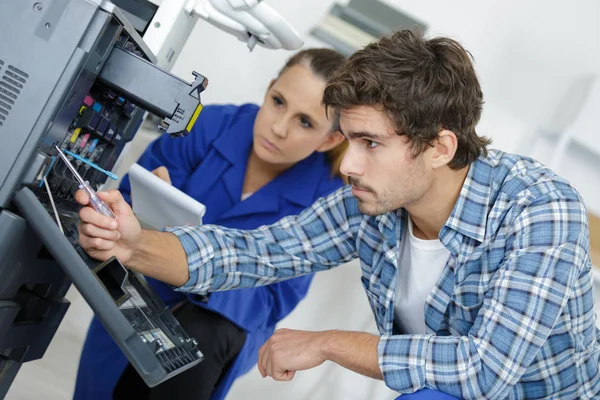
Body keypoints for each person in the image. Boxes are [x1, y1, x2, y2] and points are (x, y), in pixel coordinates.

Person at [75, 29, 600, 399]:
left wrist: (327, 342)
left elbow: (483, 371)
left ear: (439, 147)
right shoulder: (372, 204)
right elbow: (255, 251)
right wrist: (133, 242)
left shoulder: (540, 212)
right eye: (349, 140)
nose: (347, 164)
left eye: (370, 142)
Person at [73, 48, 348, 400]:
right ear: (268, 89)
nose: (279, 128)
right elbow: (126, 201)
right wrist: (142, 210)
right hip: (144, 289)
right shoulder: (207, 127)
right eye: (278, 102)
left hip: (223, 325)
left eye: (305, 122)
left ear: (330, 139)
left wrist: (195, 287)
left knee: (203, 331)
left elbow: (272, 299)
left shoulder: (327, 200)